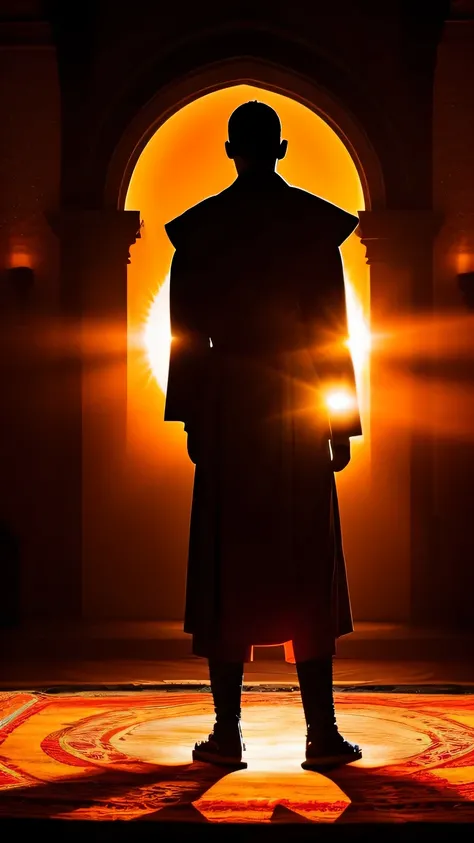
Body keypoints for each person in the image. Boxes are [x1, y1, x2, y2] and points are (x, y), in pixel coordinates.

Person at [164, 101, 363, 771]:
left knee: (227, 564)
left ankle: (227, 734)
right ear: (280, 148)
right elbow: (331, 333)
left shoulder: (199, 232)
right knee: (305, 560)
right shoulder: (312, 227)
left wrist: (194, 416)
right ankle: (322, 733)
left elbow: (186, 339)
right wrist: (341, 420)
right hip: (297, 401)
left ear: (230, 149)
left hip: (229, 408)